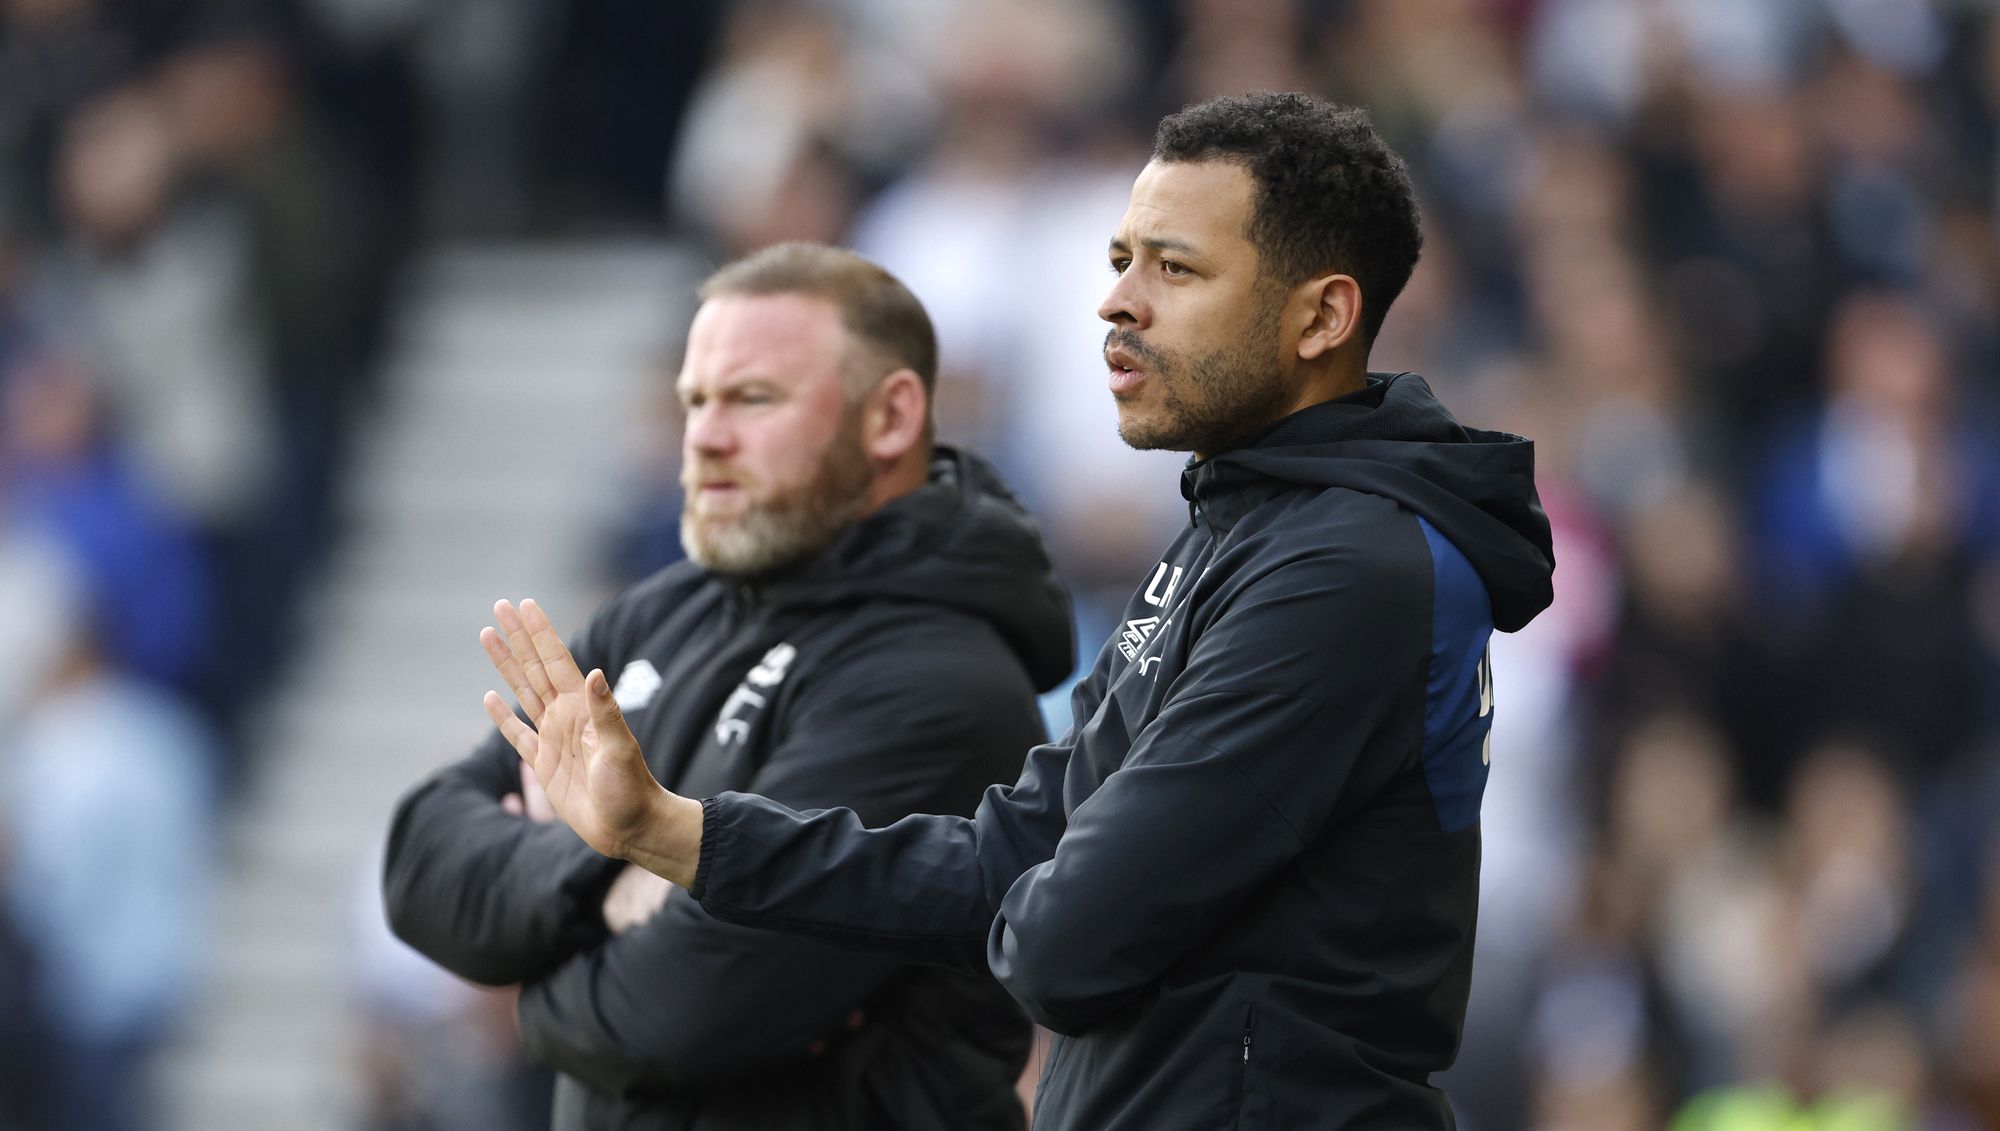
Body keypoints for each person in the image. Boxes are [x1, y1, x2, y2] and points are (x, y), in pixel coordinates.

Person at [480, 93, 1557, 1130]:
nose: (1117, 301)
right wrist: (675, 832)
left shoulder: (1349, 572)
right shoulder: (1234, 530)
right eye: (1120, 259)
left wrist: (991, 920)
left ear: (1321, 315)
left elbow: (1062, 940)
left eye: (1174, 268)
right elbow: (1015, 852)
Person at [383, 243, 1075, 1130]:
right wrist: (614, 874)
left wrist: (532, 986)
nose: (704, 434)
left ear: (893, 416)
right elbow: (418, 859)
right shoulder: (653, 614)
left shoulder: (937, 679)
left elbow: (675, 1014)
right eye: (695, 400)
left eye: (753, 398)